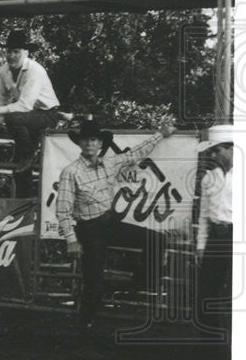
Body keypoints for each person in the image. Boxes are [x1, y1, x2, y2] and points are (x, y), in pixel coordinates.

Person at [56, 117, 176, 330]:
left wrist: (161, 133)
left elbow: (136, 152)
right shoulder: (71, 172)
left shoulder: (110, 163)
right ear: (79, 144)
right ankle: (85, 330)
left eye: (94, 140)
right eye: (85, 140)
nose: (90, 144)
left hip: (109, 222)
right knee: (94, 282)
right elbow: (63, 210)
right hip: (88, 229)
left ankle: (138, 285)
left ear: (101, 143)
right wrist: (71, 240)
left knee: (156, 239)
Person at [0, 30, 62, 197]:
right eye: (9, 51)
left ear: (26, 53)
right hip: (25, 117)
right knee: (20, 167)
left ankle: (28, 154)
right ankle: (24, 205)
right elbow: (2, 97)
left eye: (16, 52)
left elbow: (25, 104)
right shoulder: (3, 71)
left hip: (46, 114)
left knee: (14, 121)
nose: (12, 56)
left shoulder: (35, 71)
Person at [195, 125, 233, 333]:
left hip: (239, 236)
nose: (213, 155)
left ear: (231, 149)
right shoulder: (209, 178)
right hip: (216, 237)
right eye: (212, 151)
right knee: (208, 288)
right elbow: (203, 215)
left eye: (217, 150)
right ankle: (209, 338)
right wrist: (201, 245)